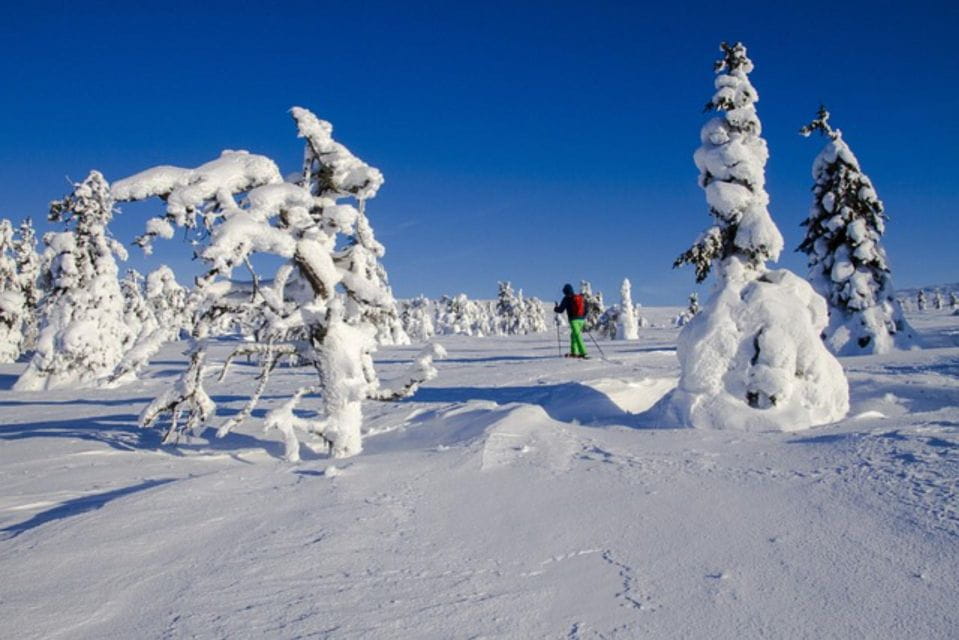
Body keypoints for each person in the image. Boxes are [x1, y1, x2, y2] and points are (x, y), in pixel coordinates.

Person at [554, 283, 588, 358]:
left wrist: (556, 308)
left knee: (577, 335)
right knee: (573, 335)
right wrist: (583, 316)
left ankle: (583, 352)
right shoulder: (579, 297)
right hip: (581, 320)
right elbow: (586, 308)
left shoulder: (566, 298)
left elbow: (560, 310)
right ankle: (574, 352)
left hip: (573, 320)